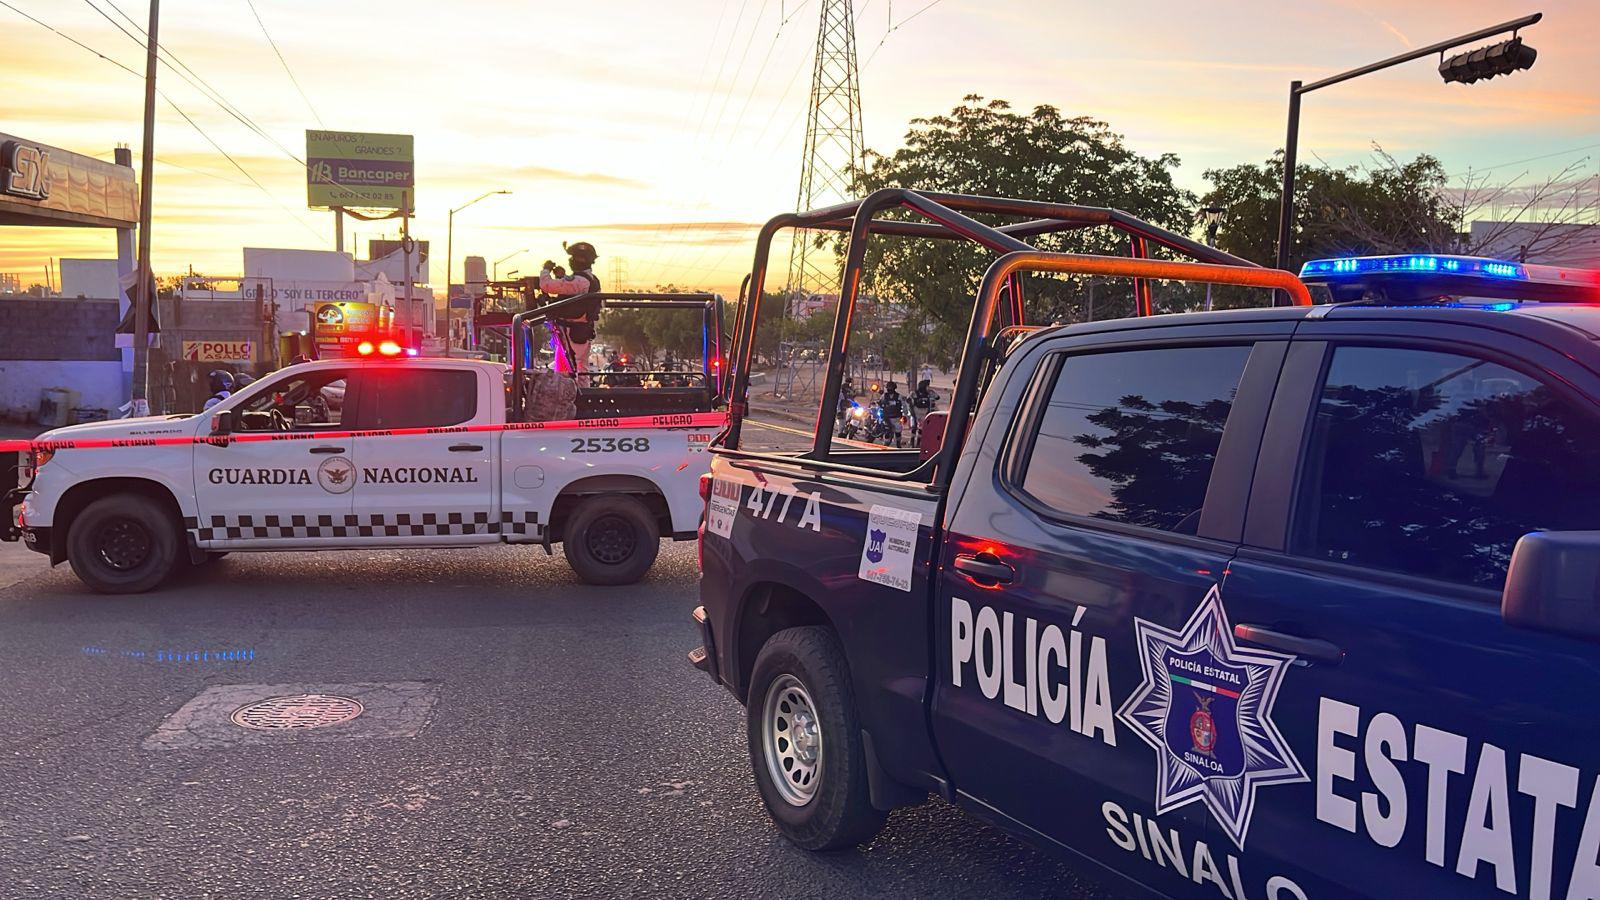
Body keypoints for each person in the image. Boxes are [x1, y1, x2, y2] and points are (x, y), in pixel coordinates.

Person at [539, 241, 602, 373]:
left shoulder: (579, 281)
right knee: (578, 369)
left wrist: (546, 269)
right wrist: (562, 277)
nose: (571, 260)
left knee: (569, 370)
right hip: (579, 330)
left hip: (571, 331)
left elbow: (546, 285)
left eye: (574, 257)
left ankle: (573, 393)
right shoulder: (591, 279)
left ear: (581, 259)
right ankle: (581, 393)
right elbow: (570, 289)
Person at [878, 381, 907, 447]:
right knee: (887, 432)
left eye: (891, 388)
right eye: (888, 388)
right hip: (887, 418)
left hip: (896, 418)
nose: (890, 389)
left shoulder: (899, 396)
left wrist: (905, 415)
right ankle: (885, 445)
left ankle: (898, 444)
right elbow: (879, 403)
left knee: (898, 432)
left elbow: (904, 406)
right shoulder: (884, 396)